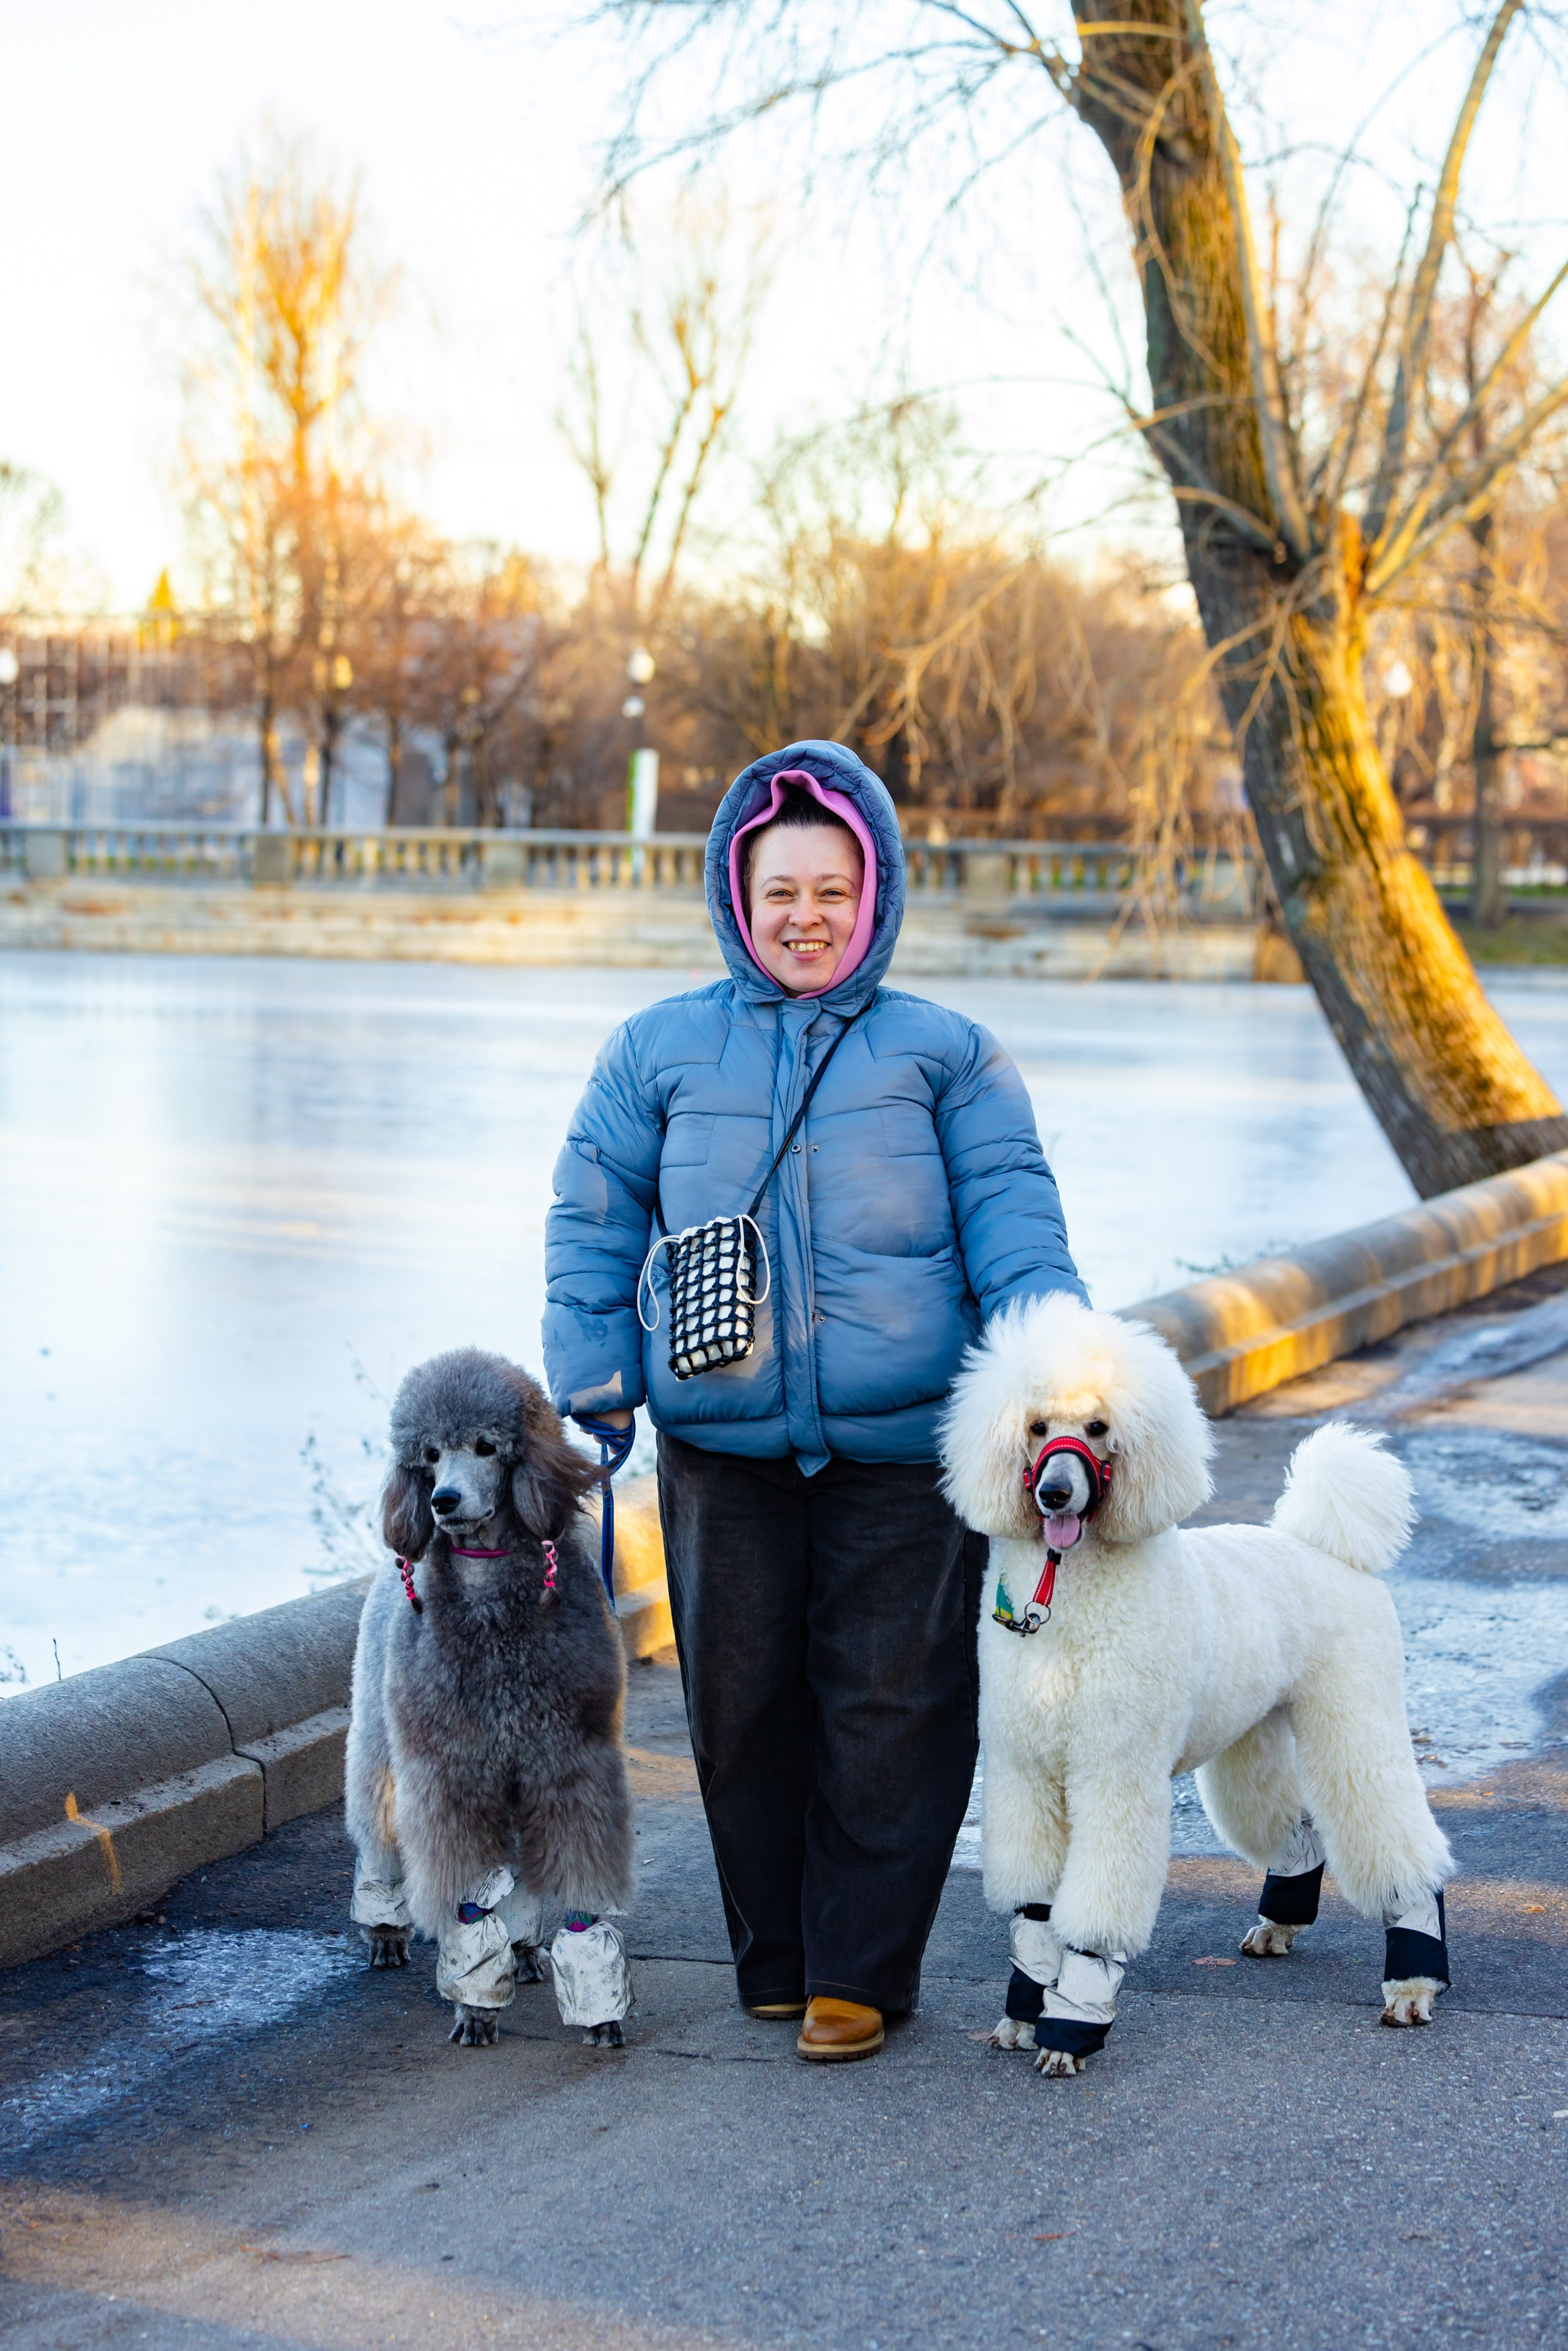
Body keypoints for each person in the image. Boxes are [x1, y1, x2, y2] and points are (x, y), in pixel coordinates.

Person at [543, 742, 1084, 2062]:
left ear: (873, 895)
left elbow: (1014, 1221)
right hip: (721, 1449)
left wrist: (1058, 1381)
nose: (805, 917)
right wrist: (597, 1379)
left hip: (904, 1448)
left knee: (893, 1710)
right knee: (740, 1712)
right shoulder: (656, 1049)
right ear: (737, 896)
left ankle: (859, 1970)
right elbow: (594, 1217)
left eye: (832, 891)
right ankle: (775, 1958)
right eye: (780, 891)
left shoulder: (949, 1055)